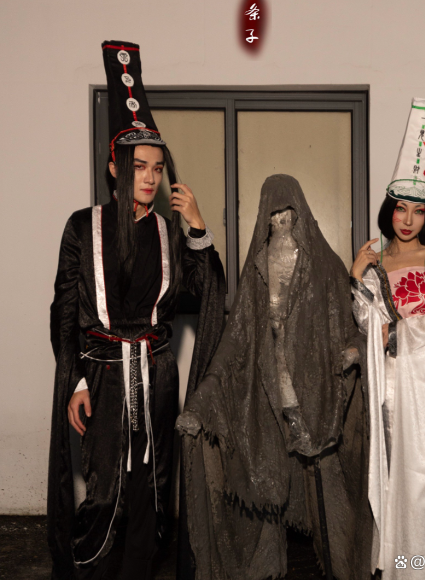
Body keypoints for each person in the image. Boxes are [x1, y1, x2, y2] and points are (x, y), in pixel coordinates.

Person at [47, 40, 225, 580]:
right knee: (104, 496)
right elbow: (65, 309)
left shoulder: (171, 233)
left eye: (158, 168)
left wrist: (198, 227)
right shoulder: (83, 227)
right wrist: (75, 380)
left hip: (158, 376)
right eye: (139, 166)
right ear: (114, 166)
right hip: (102, 376)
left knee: (152, 492)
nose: (150, 177)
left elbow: (208, 296)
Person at [177, 174, 373, 580]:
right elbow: (236, 338)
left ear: (300, 214)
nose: (281, 222)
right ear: (264, 218)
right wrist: (203, 398)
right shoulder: (257, 269)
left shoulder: (325, 266)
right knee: (264, 483)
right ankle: (264, 569)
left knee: (328, 492)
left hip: (315, 396)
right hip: (268, 392)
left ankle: (341, 566)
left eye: (288, 213)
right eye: (274, 214)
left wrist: (351, 351)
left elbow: (350, 325)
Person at [350, 99, 425, 580]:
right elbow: (367, 325)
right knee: (396, 481)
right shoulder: (376, 266)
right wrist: (355, 276)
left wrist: (400, 330)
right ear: (390, 210)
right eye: (401, 208)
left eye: (418, 211)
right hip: (392, 390)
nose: (407, 219)